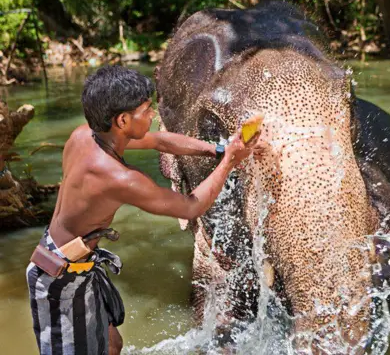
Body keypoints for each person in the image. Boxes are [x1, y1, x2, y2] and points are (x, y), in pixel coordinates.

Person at [26, 65, 262, 355]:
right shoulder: (118, 178)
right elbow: (191, 207)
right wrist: (230, 163)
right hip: (59, 278)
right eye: (147, 109)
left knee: (112, 345)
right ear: (123, 120)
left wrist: (221, 149)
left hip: (69, 260)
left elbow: (161, 141)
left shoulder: (85, 135)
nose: (153, 116)